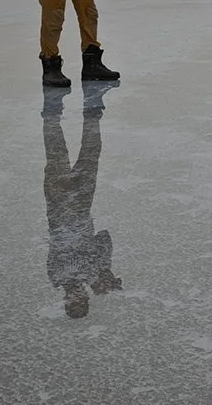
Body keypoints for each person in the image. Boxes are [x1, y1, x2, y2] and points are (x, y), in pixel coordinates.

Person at [41, 83, 122, 318]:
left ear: (66, 300)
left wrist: (99, 274)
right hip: (82, 203)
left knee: (56, 151)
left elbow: (64, 250)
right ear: (86, 297)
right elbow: (104, 237)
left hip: (57, 202)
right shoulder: (92, 273)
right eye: (81, 300)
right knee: (91, 150)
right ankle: (92, 105)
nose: (77, 297)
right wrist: (104, 269)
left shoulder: (57, 277)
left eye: (73, 301)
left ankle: (52, 107)